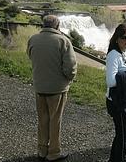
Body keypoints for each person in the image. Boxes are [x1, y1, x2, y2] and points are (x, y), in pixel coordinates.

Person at [27, 15, 77, 161]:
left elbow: (30, 55)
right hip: (57, 88)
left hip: (39, 86)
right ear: (57, 26)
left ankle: (42, 150)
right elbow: (70, 67)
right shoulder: (63, 41)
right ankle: (54, 153)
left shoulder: (33, 39)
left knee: (42, 119)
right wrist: (69, 79)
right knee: (55, 120)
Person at [106, 23, 126, 162]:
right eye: (124, 37)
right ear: (117, 38)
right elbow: (111, 81)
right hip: (117, 102)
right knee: (123, 135)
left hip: (122, 99)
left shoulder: (122, 53)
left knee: (122, 134)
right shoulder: (113, 55)